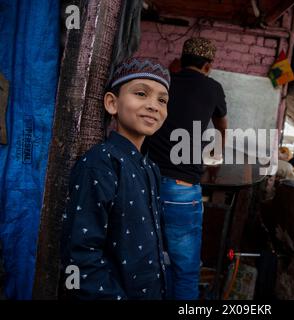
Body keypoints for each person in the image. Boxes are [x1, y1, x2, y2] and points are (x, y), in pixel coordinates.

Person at [60, 57, 171, 300]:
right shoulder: (101, 163)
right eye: (141, 94)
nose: (154, 105)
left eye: (162, 100)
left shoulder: (151, 169)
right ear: (112, 103)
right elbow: (80, 256)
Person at [143, 37, 228, 300]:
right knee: (186, 271)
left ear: (183, 60)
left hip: (146, 182)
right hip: (182, 190)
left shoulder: (164, 83)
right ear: (208, 65)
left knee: (148, 262)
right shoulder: (213, 88)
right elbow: (222, 128)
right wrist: (216, 157)